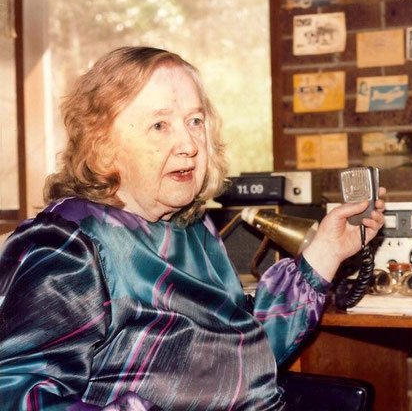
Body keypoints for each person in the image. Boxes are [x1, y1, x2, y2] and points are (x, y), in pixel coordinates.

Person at [0, 46, 385, 410]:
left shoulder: (192, 226)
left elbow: (243, 355)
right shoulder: (66, 246)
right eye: (159, 125)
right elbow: (17, 394)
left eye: (194, 121)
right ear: (103, 145)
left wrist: (327, 251)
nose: (188, 143)